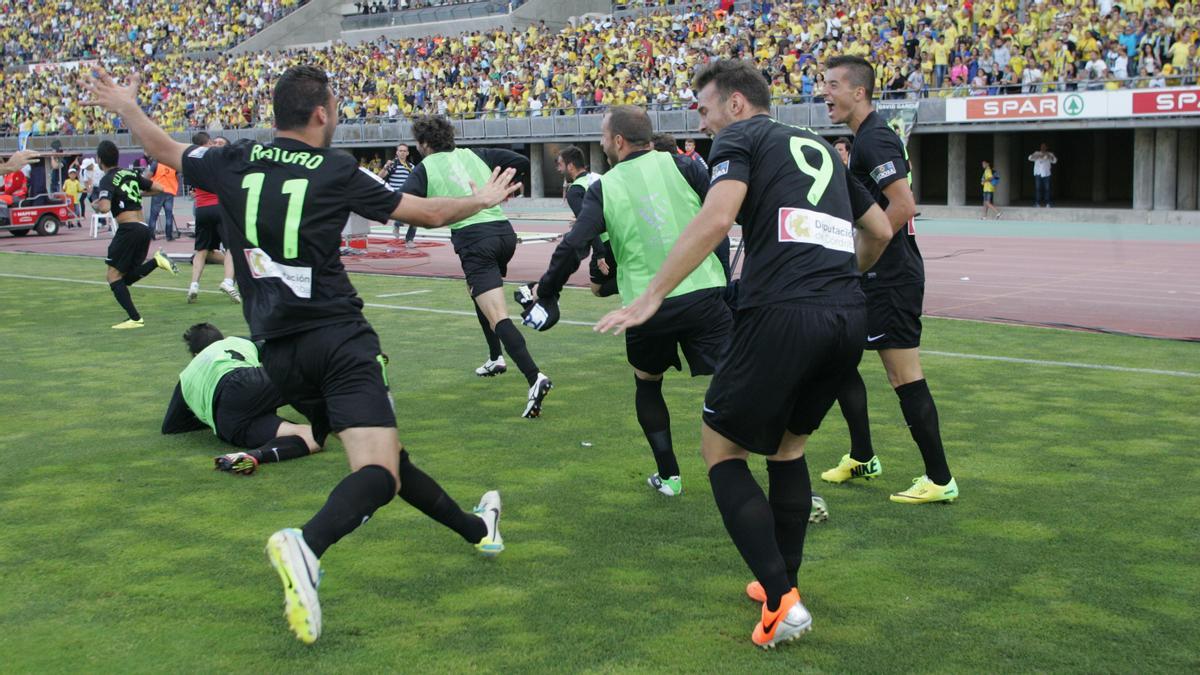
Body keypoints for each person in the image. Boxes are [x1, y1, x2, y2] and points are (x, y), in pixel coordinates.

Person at [84, 64, 522, 644]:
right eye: (335, 107)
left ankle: (477, 530)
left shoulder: (232, 159)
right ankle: (306, 547)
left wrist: (127, 106)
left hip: (275, 355)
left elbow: (160, 146)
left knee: (389, 459)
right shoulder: (336, 169)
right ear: (320, 114)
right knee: (376, 470)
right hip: (339, 339)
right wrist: (485, 197)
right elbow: (431, 213)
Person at [596, 59, 893, 649]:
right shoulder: (820, 146)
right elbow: (881, 230)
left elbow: (719, 214)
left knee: (720, 450)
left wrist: (652, 295)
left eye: (704, 109)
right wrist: (834, 280)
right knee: (788, 449)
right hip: (845, 315)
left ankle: (783, 604)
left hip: (781, 314)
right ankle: (784, 584)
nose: (701, 123)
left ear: (734, 104)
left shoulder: (741, 135)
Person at [523, 106, 733, 498]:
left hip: (646, 307)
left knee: (648, 384)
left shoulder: (605, 186)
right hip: (705, 293)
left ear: (618, 140)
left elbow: (574, 245)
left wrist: (548, 294)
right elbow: (722, 219)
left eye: (603, 137)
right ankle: (778, 467)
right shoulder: (685, 166)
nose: (602, 144)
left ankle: (670, 477)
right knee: (737, 380)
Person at [822, 55, 960, 504]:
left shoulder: (875, 138)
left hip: (890, 276)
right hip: (873, 276)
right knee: (838, 360)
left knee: (904, 376)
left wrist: (861, 263)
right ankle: (863, 456)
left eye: (833, 85)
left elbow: (902, 205)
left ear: (858, 92)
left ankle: (939, 479)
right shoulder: (865, 138)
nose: (825, 93)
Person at [403, 114, 553, 418]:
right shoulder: (475, 154)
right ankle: (495, 357)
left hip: (475, 240)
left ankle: (534, 376)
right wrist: (507, 187)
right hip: (503, 233)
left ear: (424, 143)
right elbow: (517, 160)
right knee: (477, 292)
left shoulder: (425, 167)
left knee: (497, 314)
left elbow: (404, 203)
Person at [162, 322, 322, 474]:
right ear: (222, 340)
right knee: (312, 372)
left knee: (314, 435)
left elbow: (171, 426)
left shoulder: (186, 376)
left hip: (226, 422)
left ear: (195, 354)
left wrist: (208, 418)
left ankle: (252, 456)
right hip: (244, 382)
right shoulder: (235, 342)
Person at [92, 140, 180, 329]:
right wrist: (136, 195)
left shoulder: (107, 179)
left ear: (100, 159)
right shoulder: (130, 173)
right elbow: (159, 188)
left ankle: (135, 318)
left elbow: (105, 206)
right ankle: (157, 261)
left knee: (113, 276)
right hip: (142, 228)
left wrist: (96, 204)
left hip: (129, 229)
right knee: (126, 278)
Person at [186, 132, 241, 304]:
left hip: (202, 208)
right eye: (214, 142)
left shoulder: (197, 159)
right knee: (232, 247)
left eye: (219, 142)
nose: (216, 144)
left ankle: (194, 285)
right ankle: (228, 281)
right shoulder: (226, 161)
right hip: (220, 207)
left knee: (202, 251)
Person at [554, 144, 613, 297]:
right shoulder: (598, 179)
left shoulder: (574, 191)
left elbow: (588, 227)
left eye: (560, 165)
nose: (558, 170)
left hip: (605, 244)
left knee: (597, 289)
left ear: (571, 166)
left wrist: (600, 254)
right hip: (620, 236)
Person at [380, 143, 416, 247]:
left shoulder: (411, 167)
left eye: (404, 151)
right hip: (394, 196)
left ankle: (409, 240)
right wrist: (385, 167)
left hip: (407, 196)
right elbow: (380, 176)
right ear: (397, 152)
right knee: (401, 212)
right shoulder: (392, 165)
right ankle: (397, 223)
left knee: (416, 218)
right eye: (400, 150)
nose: (402, 153)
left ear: (408, 153)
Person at [145, 158, 179, 240]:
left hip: (158, 191)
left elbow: (148, 176)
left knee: (154, 215)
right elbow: (176, 176)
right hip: (170, 191)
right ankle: (169, 236)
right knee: (169, 215)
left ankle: (150, 235)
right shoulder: (173, 164)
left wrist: (147, 187)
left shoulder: (156, 164)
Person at [1028, 143, 1057, 207]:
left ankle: (1048, 203)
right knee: (1038, 188)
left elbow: (1055, 161)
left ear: (1046, 147)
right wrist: (1038, 156)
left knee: (1047, 189)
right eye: (1042, 146)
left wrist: (1050, 156)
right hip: (1038, 173)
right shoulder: (1037, 153)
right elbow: (1029, 158)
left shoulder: (1050, 154)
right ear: (1040, 147)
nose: (1043, 148)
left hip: (1047, 174)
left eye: (1044, 147)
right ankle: (1037, 203)